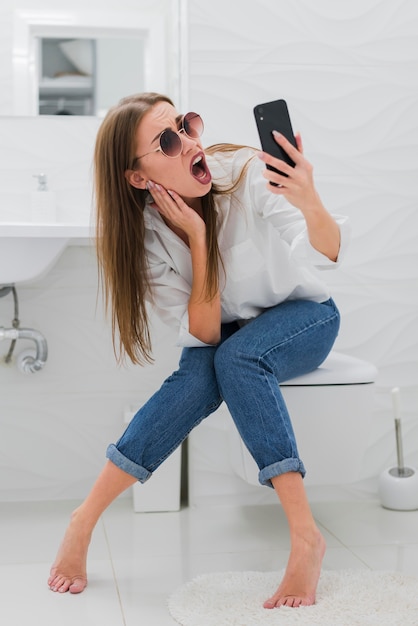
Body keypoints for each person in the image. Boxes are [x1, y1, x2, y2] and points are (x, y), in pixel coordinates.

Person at [48, 92, 349, 608]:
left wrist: (310, 198)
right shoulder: (145, 238)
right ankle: (83, 520)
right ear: (139, 178)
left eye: (186, 125)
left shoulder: (244, 172)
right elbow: (206, 335)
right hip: (229, 336)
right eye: (169, 140)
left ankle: (305, 538)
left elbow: (329, 250)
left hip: (307, 317)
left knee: (238, 358)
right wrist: (199, 239)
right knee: (202, 372)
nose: (190, 143)